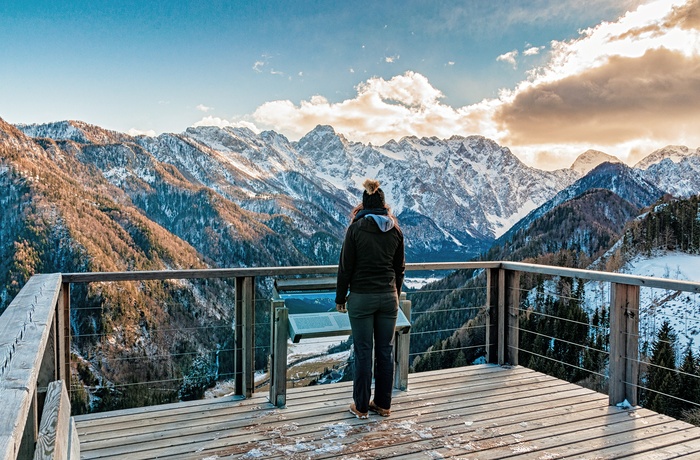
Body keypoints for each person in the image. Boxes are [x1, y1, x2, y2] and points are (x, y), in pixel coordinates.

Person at [335, 178, 405, 419]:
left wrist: (340, 297)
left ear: (363, 205)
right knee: (385, 350)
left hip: (362, 298)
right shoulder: (395, 230)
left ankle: (362, 407)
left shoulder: (355, 229)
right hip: (389, 298)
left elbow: (345, 267)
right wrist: (393, 292)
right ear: (384, 206)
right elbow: (400, 269)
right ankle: (383, 405)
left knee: (364, 351)